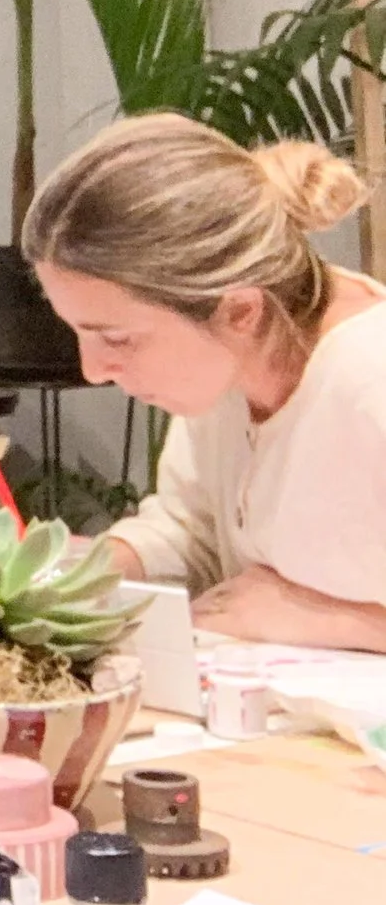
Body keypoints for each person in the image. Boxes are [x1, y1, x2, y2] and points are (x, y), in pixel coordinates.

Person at [26, 114, 386, 652]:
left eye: (118, 339)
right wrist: (74, 570)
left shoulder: (369, 378)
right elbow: (192, 533)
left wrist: (338, 620)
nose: (93, 370)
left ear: (240, 311)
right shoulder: (226, 373)